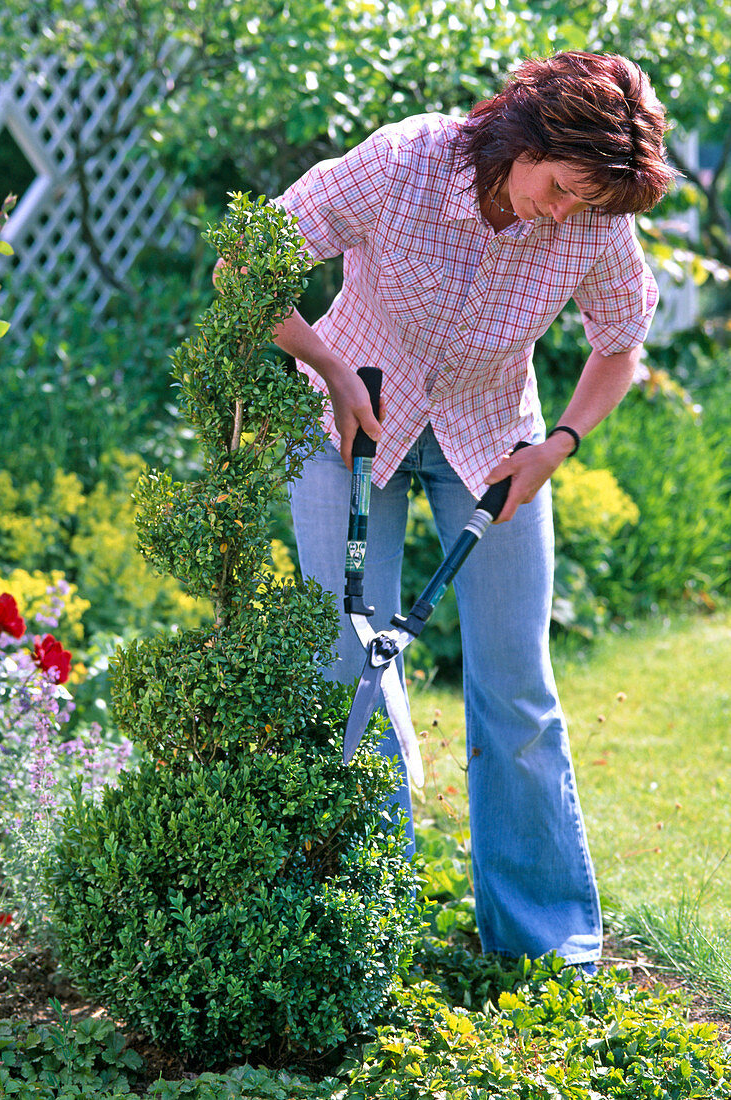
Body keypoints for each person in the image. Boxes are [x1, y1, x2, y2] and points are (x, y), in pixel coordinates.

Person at [217, 51, 674, 970]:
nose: (563, 213)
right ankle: (363, 929)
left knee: (516, 685)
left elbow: (621, 344)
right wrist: (333, 368)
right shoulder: (405, 162)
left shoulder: (590, 220)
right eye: (557, 188)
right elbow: (245, 264)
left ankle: (546, 946)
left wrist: (558, 447)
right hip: (353, 422)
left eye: (584, 202)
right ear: (525, 137)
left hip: (492, 440)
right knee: (346, 665)